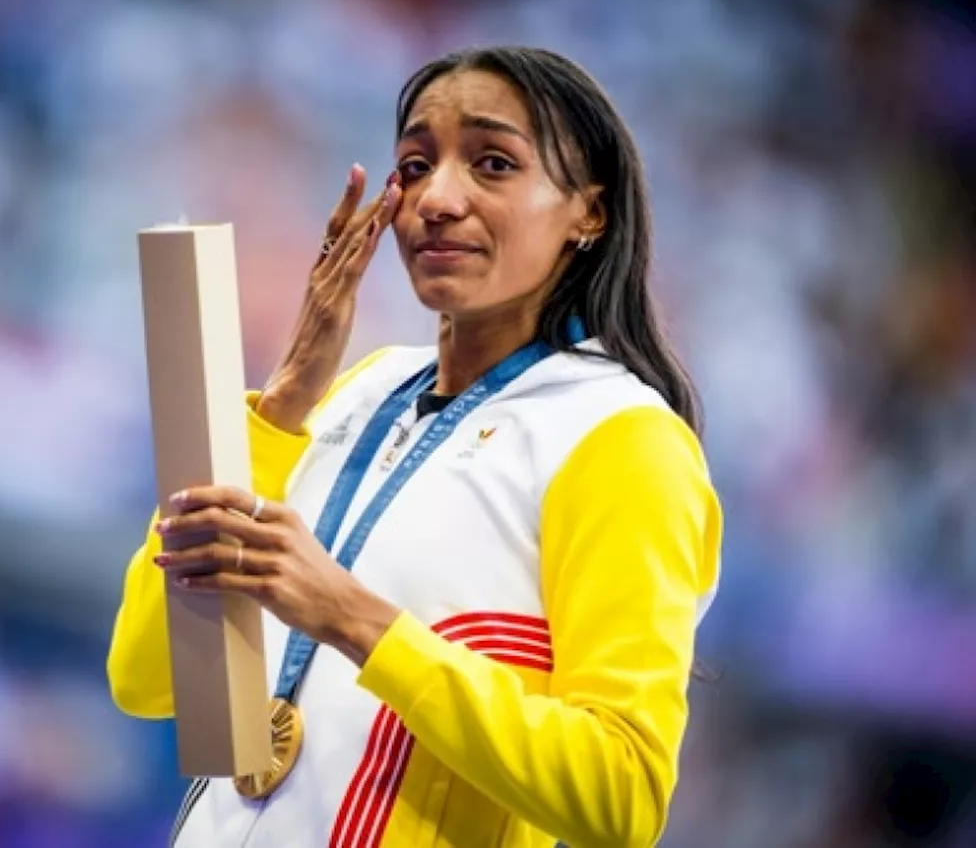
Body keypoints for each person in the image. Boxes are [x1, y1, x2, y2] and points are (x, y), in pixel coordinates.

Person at [107, 45, 722, 848]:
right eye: (416, 164)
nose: (437, 197)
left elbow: (621, 796)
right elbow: (148, 677)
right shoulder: (357, 395)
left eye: (494, 163)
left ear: (589, 213)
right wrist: (280, 407)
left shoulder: (621, 438)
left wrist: (353, 619)